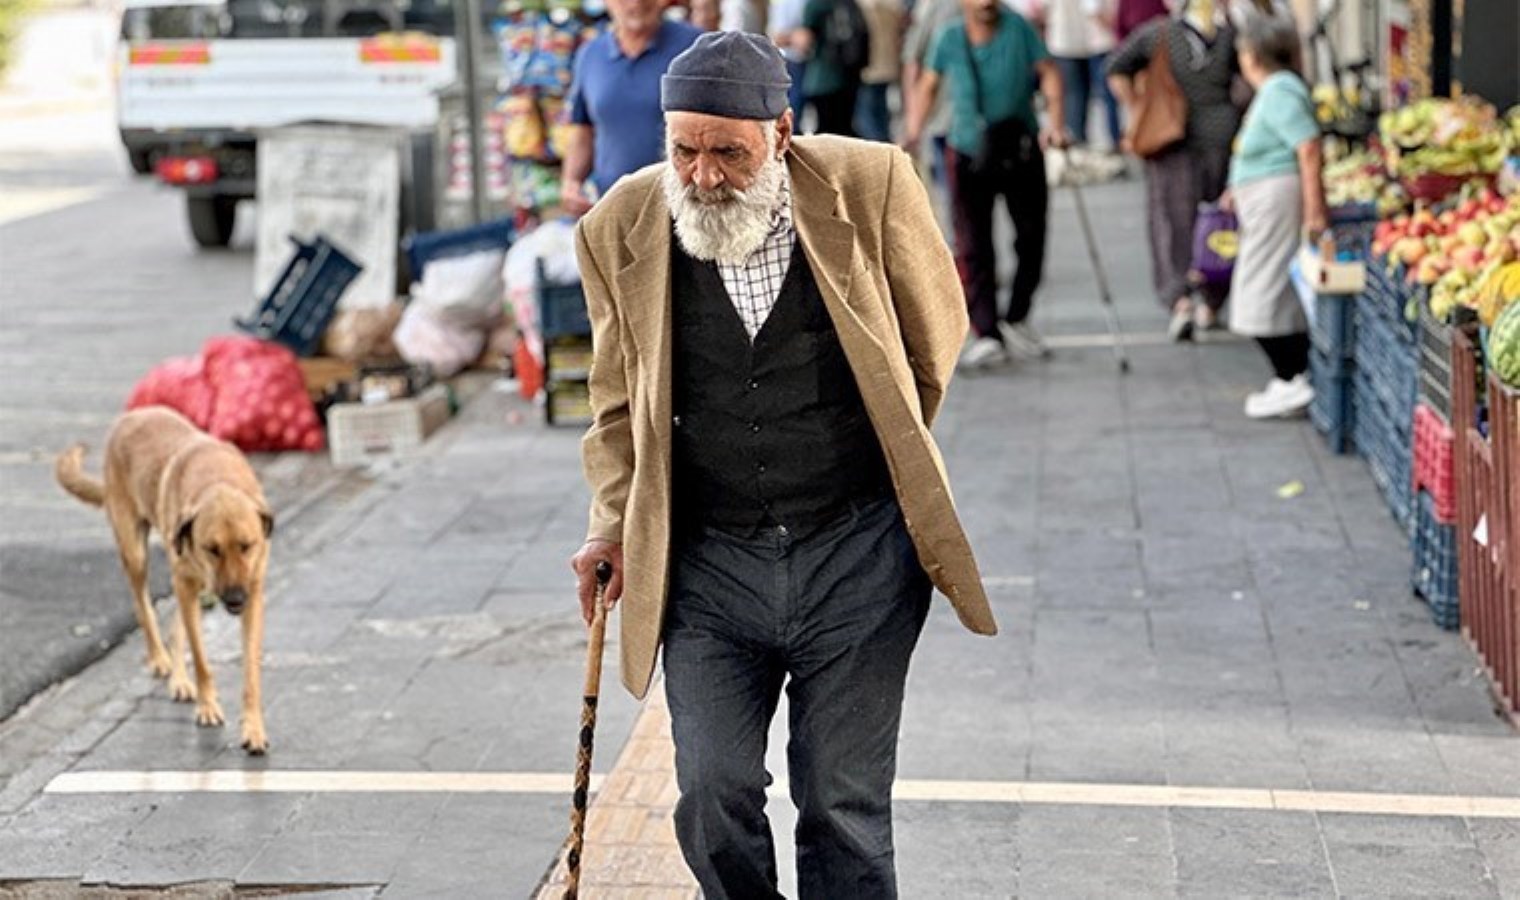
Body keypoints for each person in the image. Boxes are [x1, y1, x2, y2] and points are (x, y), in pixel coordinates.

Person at [568, 31, 995, 898]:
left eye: (728, 151)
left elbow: (933, 332)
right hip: (708, 565)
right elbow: (615, 402)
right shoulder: (621, 224)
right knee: (712, 793)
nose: (704, 175)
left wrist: (889, 437)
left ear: (782, 133)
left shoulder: (870, 185)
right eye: (684, 150)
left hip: (858, 554)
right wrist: (610, 522)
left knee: (842, 804)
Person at [905, 0, 1069, 369]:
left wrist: (1055, 123)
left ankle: (1017, 316)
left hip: (1020, 145)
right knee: (973, 244)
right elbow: (928, 84)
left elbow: (1049, 71)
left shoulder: (1018, 28)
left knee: (1032, 236)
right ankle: (987, 331)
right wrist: (912, 132)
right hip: (967, 150)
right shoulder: (949, 37)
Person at [1107, 0, 1243, 341]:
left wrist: (1136, 107)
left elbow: (1116, 68)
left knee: (1172, 222)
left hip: (1175, 142)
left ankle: (1181, 299)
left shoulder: (1158, 33)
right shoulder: (1228, 36)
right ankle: (1209, 302)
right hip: (1214, 141)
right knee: (1218, 223)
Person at [1220, 14, 1324, 418]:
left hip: (1276, 200)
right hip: (1265, 199)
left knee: (1260, 291)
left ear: (1252, 55)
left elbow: (1308, 147)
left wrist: (1315, 210)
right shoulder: (1276, 89)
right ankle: (1291, 375)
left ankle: (1292, 376)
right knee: (1269, 288)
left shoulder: (1280, 89)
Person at [560, 0, 702, 215]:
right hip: (610, 207)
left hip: (679, 208)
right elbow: (583, 129)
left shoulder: (695, 46)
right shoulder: (590, 55)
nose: (636, 4)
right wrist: (571, 181)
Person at [1043, 0, 1122, 148]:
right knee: (1079, 98)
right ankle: (1086, 145)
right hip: (1077, 40)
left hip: (1078, 40)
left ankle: (1082, 145)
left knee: (1079, 97)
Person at [798, 0, 867, 134]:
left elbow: (804, 41)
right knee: (845, 129)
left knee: (824, 133)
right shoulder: (850, 3)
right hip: (849, 76)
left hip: (822, 78)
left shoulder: (816, 5)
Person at [854, 0, 906, 142]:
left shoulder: (864, 6)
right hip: (889, 66)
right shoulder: (894, 5)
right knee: (881, 115)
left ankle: (881, 153)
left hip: (869, 69)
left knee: (866, 119)